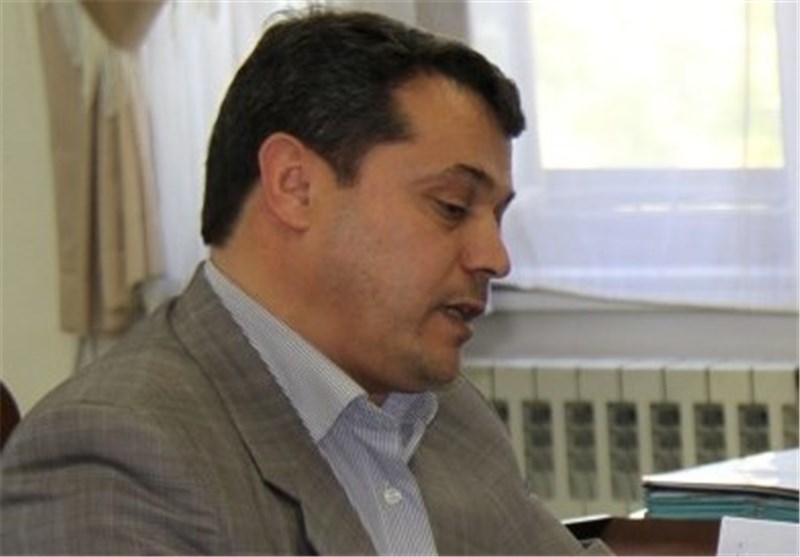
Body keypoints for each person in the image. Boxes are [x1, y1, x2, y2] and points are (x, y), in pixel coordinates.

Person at [1, 8, 609, 556]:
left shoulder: (442, 413)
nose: (495, 257)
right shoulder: (115, 452)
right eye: (451, 206)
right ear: (295, 187)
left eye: (497, 217)